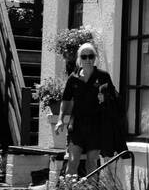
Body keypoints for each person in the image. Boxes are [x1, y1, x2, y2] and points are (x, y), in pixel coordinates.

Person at [54, 43, 128, 178]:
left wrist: (105, 98)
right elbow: (65, 101)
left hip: (96, 126)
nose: (88, 60)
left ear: (95, 58)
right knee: (72, 161)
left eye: (91, 56)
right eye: (84, 57)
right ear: (79, 59)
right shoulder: (73, 78)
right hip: (77, 125)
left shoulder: (103, 76)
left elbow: (114, 98)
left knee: (92, 163)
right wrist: (60, 120)